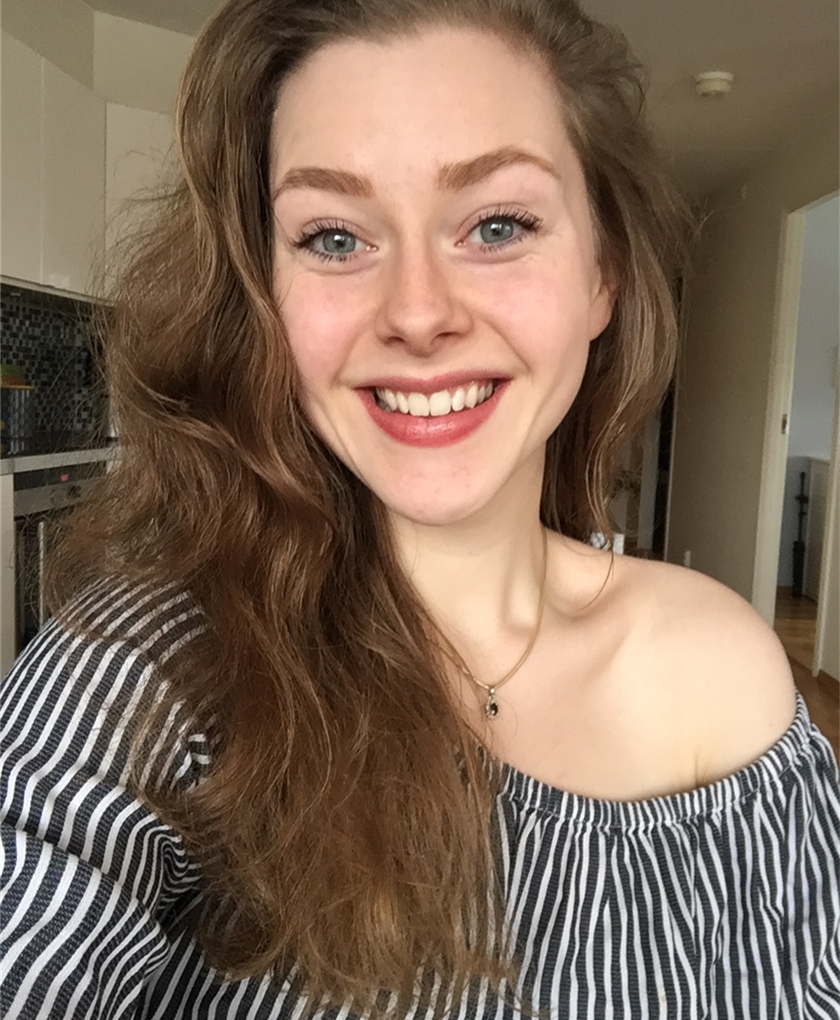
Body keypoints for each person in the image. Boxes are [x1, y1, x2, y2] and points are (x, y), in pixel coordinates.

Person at [2, 0, 839, 1016]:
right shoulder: (145, 674)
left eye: (498, 225)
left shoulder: (725, 673)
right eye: (334, 236)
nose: (417, 313)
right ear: (262, 292)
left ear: (603, 277)